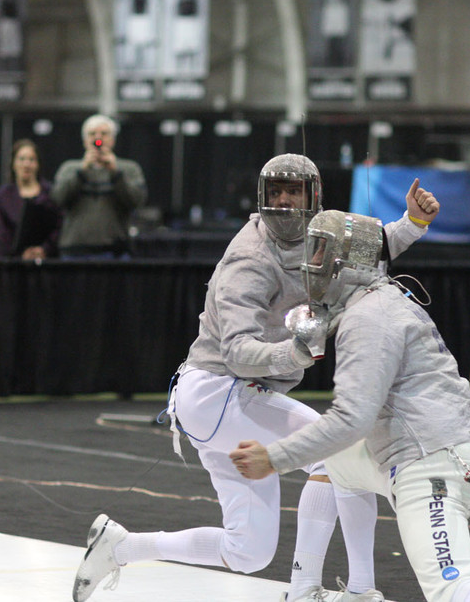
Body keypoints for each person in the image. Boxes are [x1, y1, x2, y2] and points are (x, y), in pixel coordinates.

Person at [71, 153, 441, 602]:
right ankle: (335, 590)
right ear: (263, 198)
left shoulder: (317, 232)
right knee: (337, 453)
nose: (284, 201)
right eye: (276, 192)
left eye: (294, 191)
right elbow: (239, 353)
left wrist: (414, 223)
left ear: (313, 196)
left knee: (246, 552)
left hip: (234, 401)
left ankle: (122, 546)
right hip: (215, 391)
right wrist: (297, 351)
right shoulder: (248, 260)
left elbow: (364, 250)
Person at [229, 210, 470, 602]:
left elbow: (352, 418)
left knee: (452, 590)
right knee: (337, 463)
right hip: (422, 451)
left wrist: (274, 458)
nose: (310, 262)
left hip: (434, 464)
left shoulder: (369, 318)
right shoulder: (370, 299)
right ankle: (338, 590)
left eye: (319, 251)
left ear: (343, 261)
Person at [52, 114, 146, 259]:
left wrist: (115, 173)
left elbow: (137, 201)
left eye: (104, 134)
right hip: (75, 251)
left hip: (115, 252)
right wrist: (81, 172)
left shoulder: (129, 168)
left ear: (113, 140)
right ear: (84, 140)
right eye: (92, 134)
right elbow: (58, 199)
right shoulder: (69, 168)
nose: (98, 139)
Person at [0, 139, 62, 260]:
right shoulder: (1, 196)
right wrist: (20, 254)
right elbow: (0, 232)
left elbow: (60, 225)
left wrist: (44, 249)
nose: (26, 164)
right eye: (21, 159)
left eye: (31, 159)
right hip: (13, 264)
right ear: (13, 163)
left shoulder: (52, 193)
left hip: (48, 261)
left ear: (38, 164)